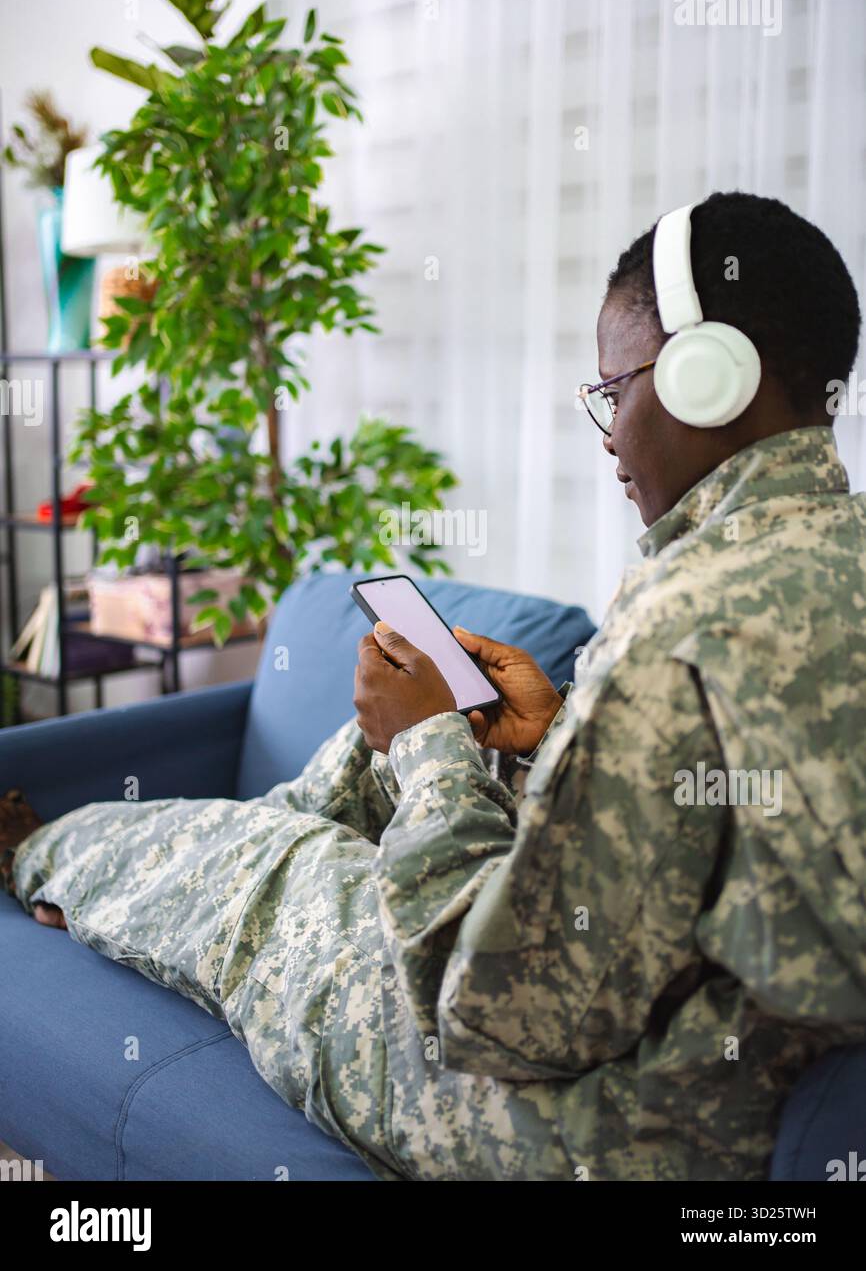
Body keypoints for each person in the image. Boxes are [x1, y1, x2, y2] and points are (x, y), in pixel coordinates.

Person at [2, 190, 865, 1181]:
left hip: (609, 1128)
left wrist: (429, 748)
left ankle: (46, 853)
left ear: (705, 380)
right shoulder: (824, 555)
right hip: (694, 1054)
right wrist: (545, 742)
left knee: (275, 865)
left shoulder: (684, 615)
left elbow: (498, 1013)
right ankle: (130, 888)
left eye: (610, 391)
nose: (605, 434)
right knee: (365, 770)